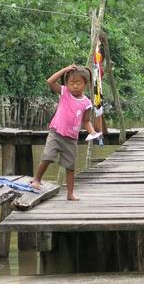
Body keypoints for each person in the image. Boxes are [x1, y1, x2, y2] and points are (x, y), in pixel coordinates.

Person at [31, 64, 100, 201]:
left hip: (71, 138)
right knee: (47, 157)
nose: (74, 86)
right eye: (71, 83)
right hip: (56, 133)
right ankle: (37, 179)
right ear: (67, 83)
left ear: (85, 84)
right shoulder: (64, 92)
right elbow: (50, 81)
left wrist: (92, 132)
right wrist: (64, 70)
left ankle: (70, 193)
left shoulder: (86, 103)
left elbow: (86, 121)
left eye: (78, 83)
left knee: (70, 166)